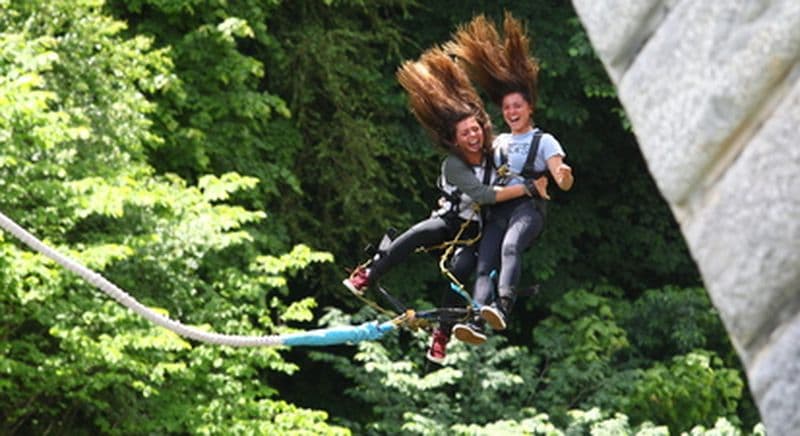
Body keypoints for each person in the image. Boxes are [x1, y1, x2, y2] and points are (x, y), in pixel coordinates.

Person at [343, 47, 543, 363]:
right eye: (466, 133)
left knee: (461, 270)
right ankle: (369, 273)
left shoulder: (496, 154)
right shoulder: (454, 165)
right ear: (455, 140)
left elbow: (521, 151)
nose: (473, 136)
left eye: (476, 129)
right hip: (449, 222)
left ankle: (442, 335)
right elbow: (483, 195)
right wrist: (526, 188)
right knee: (419, 232)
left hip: (475, 233)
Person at [448, 13, 575, 344]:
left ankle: (503, 306)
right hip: (498, 210)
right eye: (506, 108)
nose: (511, 112)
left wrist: (563, 176)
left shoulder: (544, 141)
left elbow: (561, 178)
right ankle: (478, 320)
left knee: (510, 246)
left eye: (517, 106)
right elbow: (477, 165)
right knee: (483, 263)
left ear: (529, 108)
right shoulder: (499, 142)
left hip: (527, 209)